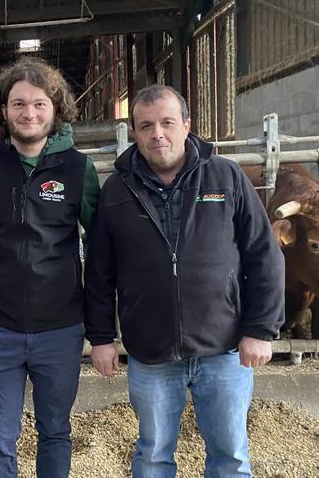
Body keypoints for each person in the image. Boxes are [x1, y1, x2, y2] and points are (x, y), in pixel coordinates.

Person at [85, 84, 285, 477]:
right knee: (153, 454)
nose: (157, 133)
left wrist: (261, 329)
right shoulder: (117, 190)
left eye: (166, 122)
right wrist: (101, 337)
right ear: (135, 132)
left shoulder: (225, 177)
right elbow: (98, 271)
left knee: (230, 455)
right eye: (145, 126)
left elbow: (264, 253)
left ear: (187, 125)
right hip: (151, 351)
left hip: (224, 347)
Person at [0, 56, 100, 478]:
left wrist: (98, 326)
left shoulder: (78, 168)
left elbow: (98, 246)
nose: (29, 113)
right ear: (3, 111)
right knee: (0, 436)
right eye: (19, 104)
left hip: (59, 328)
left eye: (39, 104)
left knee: (55, 431)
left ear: (56, 109)